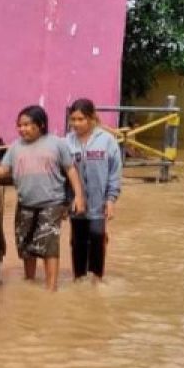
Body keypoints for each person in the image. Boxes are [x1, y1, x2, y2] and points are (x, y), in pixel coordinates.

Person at [0, 105, 85, 291]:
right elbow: (4, 169)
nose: (22, 129)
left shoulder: (57, 144)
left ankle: (51, 288)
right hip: (25, 204)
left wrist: (79, 196)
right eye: (19, 125)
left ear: (40, 125)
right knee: (26, 246)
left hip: (52, 203)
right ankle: (29, 283)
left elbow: (70, 169)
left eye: (27, 125)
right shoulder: (15, 147)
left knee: (49, 246)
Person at [65, 99, 121, 281]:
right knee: (77, 242)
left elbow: (115, 172)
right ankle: (78, 280)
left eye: (80, 119)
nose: (76, 124)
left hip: (99, 203)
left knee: (97, 239)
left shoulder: (107, 141)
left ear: (91, 119)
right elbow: (61, 173)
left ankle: (97, 281)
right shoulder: (66, 142)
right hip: (76, 203)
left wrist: (111, 200)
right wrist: (65, 201)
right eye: (73, 119)